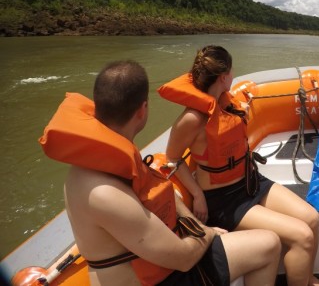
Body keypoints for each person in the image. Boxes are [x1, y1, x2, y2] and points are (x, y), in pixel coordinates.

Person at [40, 60, 281, 286]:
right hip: (162, 279)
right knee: (269, 245)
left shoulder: (101, 158)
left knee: (267, 241)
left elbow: (160, 191)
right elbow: (184, 258)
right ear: (143, 110)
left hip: (164, 263)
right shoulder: (104, 193)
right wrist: (207, 233)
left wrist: (195, 224)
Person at [159, 46, 319, 286]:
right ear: (224, 77)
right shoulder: (193, 118)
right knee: (302, 236)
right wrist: (197, 194)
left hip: (251, 182)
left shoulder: (227, 105)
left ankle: (308, 279)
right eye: (231, 72)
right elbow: (172, 159)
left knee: (311, 217)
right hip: (224, 200)